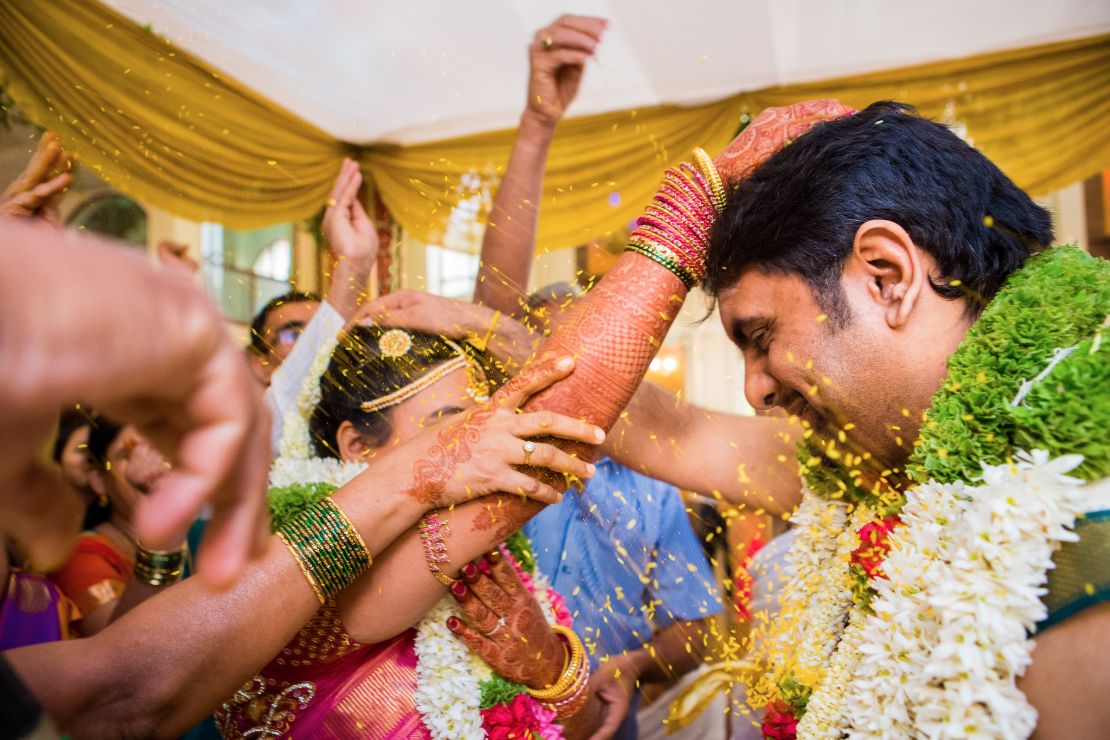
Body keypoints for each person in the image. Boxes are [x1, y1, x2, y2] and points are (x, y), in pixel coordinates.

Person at [702, 101, 1109, 737]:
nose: (755, 390)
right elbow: (659, 432)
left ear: (887, 276)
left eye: (761, 335)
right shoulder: (885, 461)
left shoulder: (1079, 502)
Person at [218, 321, 605, 737]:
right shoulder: (306, 567)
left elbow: (584, 728)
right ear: (358, 447)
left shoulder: (494, 559)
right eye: (456, 425)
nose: (488, 440)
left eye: (486, 420)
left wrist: (551, 668)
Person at [48, 418, 190, 637]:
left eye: (157, 447)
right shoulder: (80, 557)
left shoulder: (201, 530)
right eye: (126, 455)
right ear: (98, 480)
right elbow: (122, 648)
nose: (150, 462)